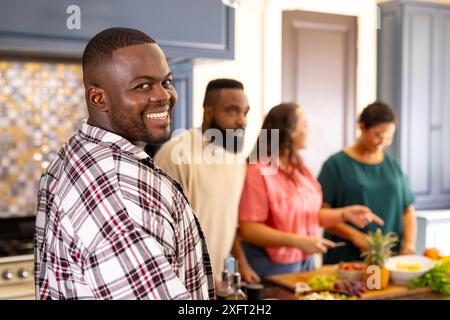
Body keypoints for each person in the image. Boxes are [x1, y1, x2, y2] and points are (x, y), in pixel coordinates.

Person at [34, 27, 214, 300]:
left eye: (165, 81)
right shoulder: (118, 189)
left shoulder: (77, 154)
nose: (163, 96)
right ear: (98, 98)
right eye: (142, 85)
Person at [238, 103, 383, 279]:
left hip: (306, 262)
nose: (308, 130)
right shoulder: (257, 171)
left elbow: (310, 216)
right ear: (289, 130)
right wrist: (298, 241)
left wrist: (344, 214)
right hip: (272, 267)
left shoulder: (301, 170)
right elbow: (249, 229)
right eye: (304, 123)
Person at [154, 79, 260, 285]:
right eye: (232, 111)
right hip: (178, 283)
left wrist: (242, 263)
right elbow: (158, 233)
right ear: (208, 112)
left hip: (215, 282)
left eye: (245, 112)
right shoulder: (176, 154)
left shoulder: (236, 157)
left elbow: (227, 219)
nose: (242, 121)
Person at [318, 101, 416, 264]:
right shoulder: (335, 165)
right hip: (347, 260)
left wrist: (410, 245)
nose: (383, 142)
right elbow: (321, 214)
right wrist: (356, 237)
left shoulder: (392, 165)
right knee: (357, 289)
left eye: (389, 137)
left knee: (381, 287)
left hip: (389, 260)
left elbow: (408, 209)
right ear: (362, 127)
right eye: (378, 135)